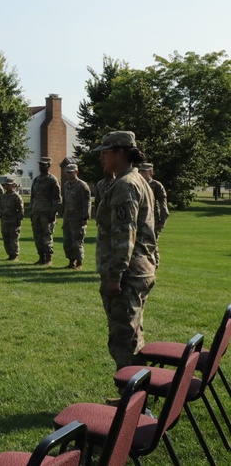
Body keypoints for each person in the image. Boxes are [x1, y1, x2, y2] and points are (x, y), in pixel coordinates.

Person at [92, 131, 157, 369]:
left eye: (105, 153)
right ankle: (136, 398)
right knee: (133, 334)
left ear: (120, 152)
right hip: (140, 269)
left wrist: (115, 276)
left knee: (123, 340)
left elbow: (124, 235)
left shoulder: (125, 185)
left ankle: (133, 401)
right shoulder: (138, 181)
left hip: (127, 275)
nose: (102, 158)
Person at [30, 156, 61, 266]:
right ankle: (41, 257)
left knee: (47, 237)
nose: (41, 166)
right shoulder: (36, 180)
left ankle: (48, 258)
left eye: (43, 164)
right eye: (40, 164)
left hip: (47, 214)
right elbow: (32, 197)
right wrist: (31, 211)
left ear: (48, 166)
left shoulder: (52, 180)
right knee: (38, 237)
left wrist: (53, 213)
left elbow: (57, 199)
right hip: (36, 213)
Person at [60, 163, 91, 270]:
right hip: (67, 217)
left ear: (76, 172)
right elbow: (64, 201)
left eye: (70, 172)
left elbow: (86, 203)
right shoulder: (66, 185)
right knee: (67, 241)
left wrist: (85, 218)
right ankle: (71, 261)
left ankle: (79, 262)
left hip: (78, 219)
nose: (68, 174)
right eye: (67, 172)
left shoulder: (82, 186)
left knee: (77, 242)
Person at [139, 163, 169, 243]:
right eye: (141, 171)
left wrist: (162, 221)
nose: (142, 173)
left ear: (150, 172)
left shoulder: (156, 185)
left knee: (152, 244)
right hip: (139, 219)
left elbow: (163, 203)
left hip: (153, 219)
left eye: (144, 171)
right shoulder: (137, 184)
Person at [0, 179, 24, 260]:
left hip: (14, 221)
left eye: (9, 185)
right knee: (6, 238)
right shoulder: (3, 196)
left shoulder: (16, 196)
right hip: (5, 220)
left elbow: (21, 209)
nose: (7, 186)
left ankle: (15, 255)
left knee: (14, 239)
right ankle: (9, 254)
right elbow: (0, 207)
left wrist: (19, 220)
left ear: (13, 185)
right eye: (6, 185)